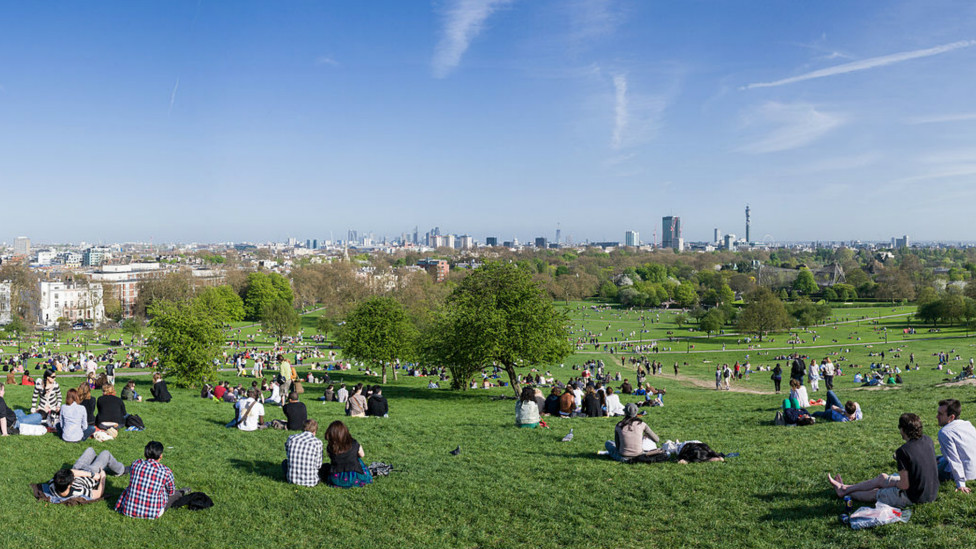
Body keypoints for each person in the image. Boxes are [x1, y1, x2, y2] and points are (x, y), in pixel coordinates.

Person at [829, 413, 938, 508]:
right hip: (931, 491)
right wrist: (889, 482)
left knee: (876, 493)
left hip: (915, 497)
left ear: (903, 429)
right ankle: (845, 488)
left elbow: (904, 486)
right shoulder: (927, 440)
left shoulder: (903, 451)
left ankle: (845, 493)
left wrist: (892, 484)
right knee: (882, 478)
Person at [116, 441, 184, 519]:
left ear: (145, 454)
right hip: (153, 513)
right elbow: (171, 492)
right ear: (160, 456)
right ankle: (181, 492)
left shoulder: (136, 464)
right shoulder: (166, 471)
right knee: (173, 495)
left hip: (128, 510)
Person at [44, 448, 126, 503]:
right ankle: (121, 470)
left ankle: (99, 463)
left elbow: (72, 471)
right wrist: (102, 477)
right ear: (70, 485)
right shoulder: (78, 491)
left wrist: (91, 474)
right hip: (91, 473)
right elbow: (98, 494)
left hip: (81, 470)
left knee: (90, 450)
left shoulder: (53, 485)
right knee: (105, 453)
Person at [936, 398, 976, 493]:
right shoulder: (967, 424)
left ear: (951, 417)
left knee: (928, 467)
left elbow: (954, 460)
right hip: (973, 468)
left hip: (965, 473)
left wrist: (960, 484)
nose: (937, 416)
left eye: (940, 414)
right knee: (939, 458)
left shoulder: (944, 432)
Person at [323, 421, 373, 488]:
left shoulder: (330, 447)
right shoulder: (354, 443)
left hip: (336, 478)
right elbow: (362, 455)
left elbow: (330, 457)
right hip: (354, 477)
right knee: (358, 459)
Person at [282, 419, 323, 487]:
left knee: (284, 462)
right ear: (314, 431)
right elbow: (318, 465)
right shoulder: (317, 442)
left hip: (291, 479)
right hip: (311, 481)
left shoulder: (291, 438)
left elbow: (288, 454)